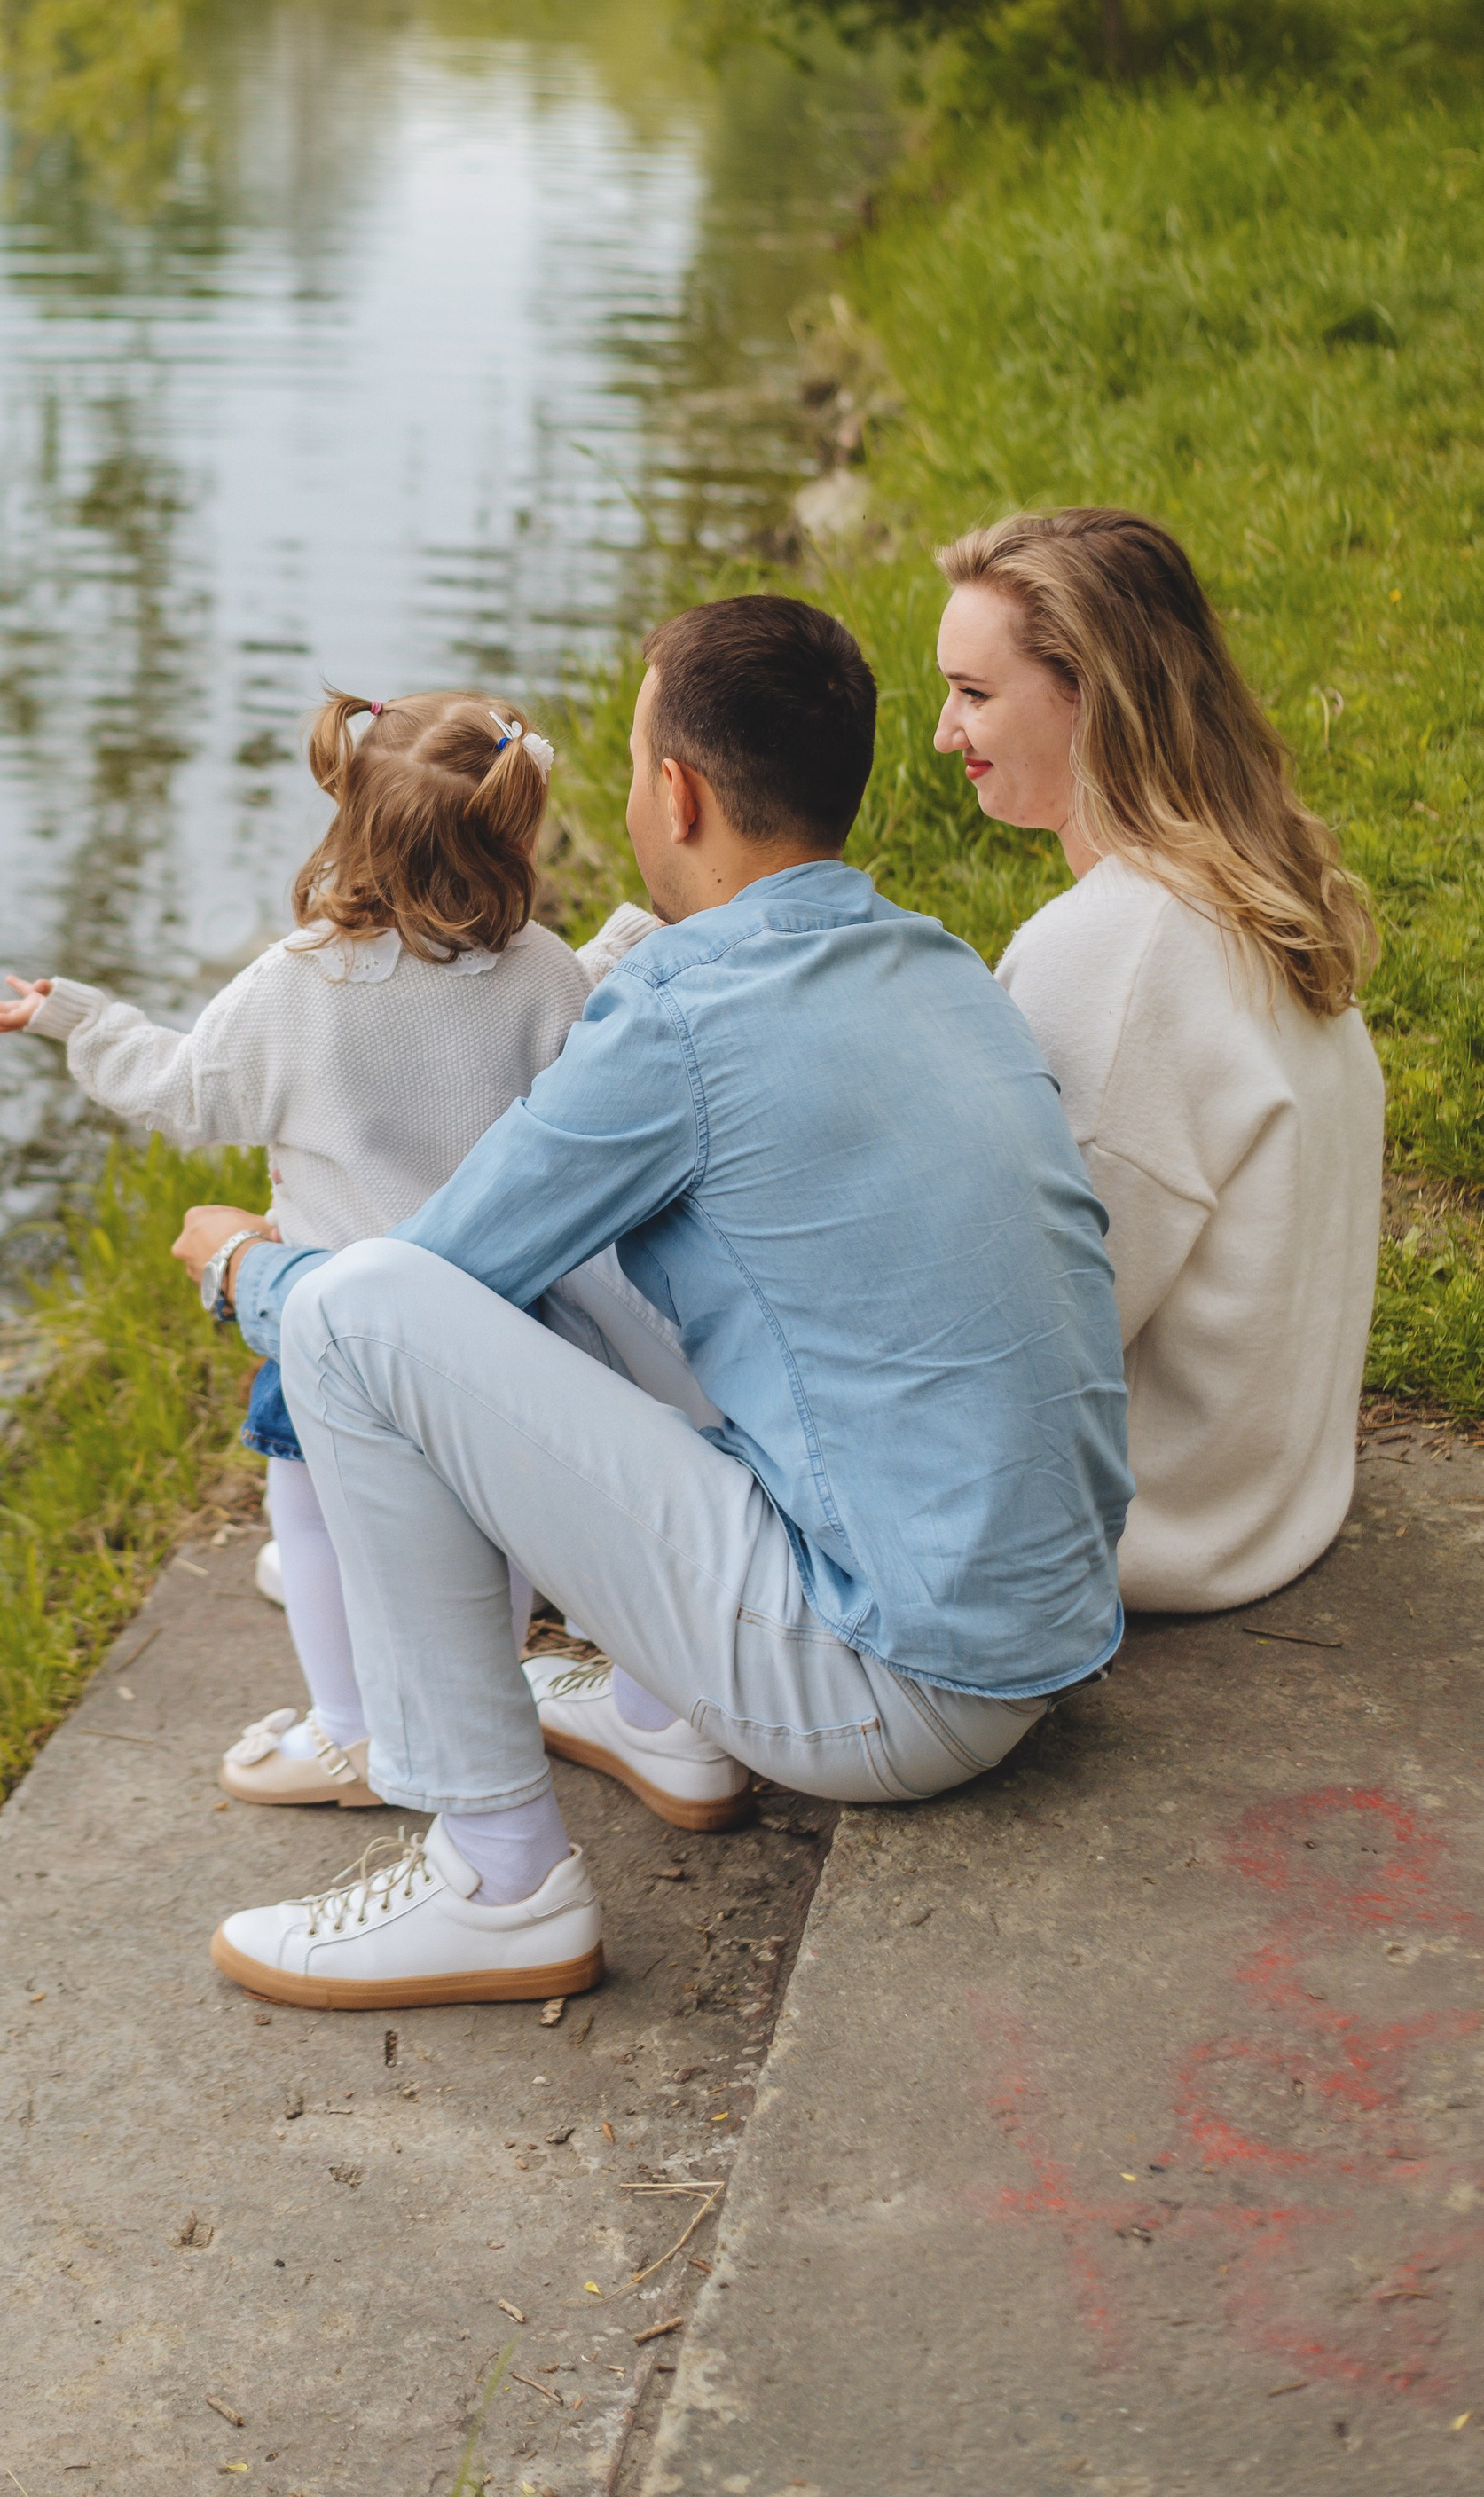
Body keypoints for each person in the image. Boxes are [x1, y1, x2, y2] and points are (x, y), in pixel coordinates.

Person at [177, 593, 1132, 2011]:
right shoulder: (928, 960)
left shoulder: (681, 1019)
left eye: (632, 766)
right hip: (1032, 1627)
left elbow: (422, 1292)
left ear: (675, 795)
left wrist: (249, 1267)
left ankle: (496, 1884)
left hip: (885, 1686)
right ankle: (652, 1705)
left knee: (355, 1305)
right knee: (577, 1245)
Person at [0, 687, 652, 1808]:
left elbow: (185, 1092)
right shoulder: (537, 970)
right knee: (493, 1507)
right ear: (513, 835)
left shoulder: (300, 984)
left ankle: (352, 1738)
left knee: (311, 1516)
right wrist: (616, 949)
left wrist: (75, 1018)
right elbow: (572, 1056)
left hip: (331, 1328)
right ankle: (497, 1652)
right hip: (504, 1327)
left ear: (348, 825)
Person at [933, 508, 1384, 1614]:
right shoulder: (1254, 891)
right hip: (1274, 1505)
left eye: (974, 693)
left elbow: (1025, 1339)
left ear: (1088, 693)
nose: (945, 733)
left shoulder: (1115, 953)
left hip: (1153, 1531)